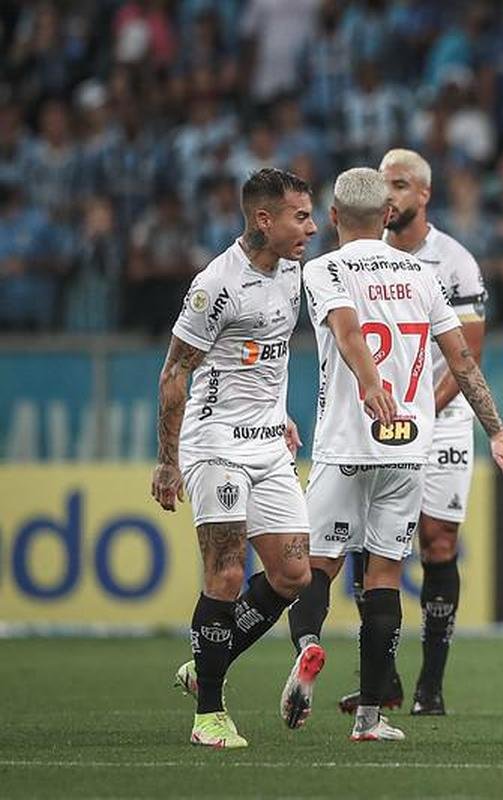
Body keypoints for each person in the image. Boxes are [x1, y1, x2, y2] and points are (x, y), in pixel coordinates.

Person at [281, 167, 503, 742]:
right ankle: (370, 717)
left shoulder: (321, 269)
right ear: (387, 216)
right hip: (409, 444)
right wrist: (497, 431)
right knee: (386, 572)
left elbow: (346, 334)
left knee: (316, 567)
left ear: (335, 217)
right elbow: (462, 360)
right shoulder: (421, 273)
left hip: (346, 442)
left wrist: (369, 385)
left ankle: (309, 645)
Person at [152, 168, 319, 749]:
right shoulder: (216, 285)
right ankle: (209, 714)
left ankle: (205, 664)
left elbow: (264, 358)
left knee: (294, 574)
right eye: (301, 216)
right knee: (225, 574)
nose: (312, 226)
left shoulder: (293, 270)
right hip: (217, 442)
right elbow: (176, 372)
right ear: (264, 219)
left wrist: (282, 413)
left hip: (271, 443)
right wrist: (168, 461)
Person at [334, 149, 490, 717]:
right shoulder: (353, 261)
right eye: (382, 185)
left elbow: (468, 354)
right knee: (364, 541)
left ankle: (432, 683)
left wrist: (418, 414)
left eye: (399, 184)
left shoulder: (455, 263)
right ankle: (385, 678)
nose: (389, 195)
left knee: (438, 542)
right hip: (372, 424)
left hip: (440, 423)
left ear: (424, 194)